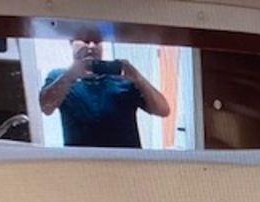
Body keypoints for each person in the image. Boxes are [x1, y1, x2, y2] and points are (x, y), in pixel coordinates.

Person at [40, 38, 171, 148]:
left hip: (127, 165)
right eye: (85, 41)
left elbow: (163, 110)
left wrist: (138, 78)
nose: (91, 46)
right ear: (71, 43)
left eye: (97, 41)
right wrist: (70, 75)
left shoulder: (124, 79)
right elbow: (46, 107)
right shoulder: (59, 77)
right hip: (81, 165)